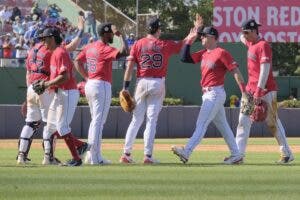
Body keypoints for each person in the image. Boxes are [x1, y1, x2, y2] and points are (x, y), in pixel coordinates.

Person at [171, 14, 246, 164]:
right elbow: (184, 58)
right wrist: (191, 37)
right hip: (207, 94)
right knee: (223, 126)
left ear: (212, 37)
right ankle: (236, 154)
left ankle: (187, 151)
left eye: (203, 36)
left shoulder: (221, 53)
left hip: (215, 93)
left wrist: (244, 92)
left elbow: (235, 71)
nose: (201, 38)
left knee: (201, 124)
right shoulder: (204, 53)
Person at [17, 17, 88, 165]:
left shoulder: (32, 50)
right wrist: (81, 30)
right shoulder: (51, 49)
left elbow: (28, 73)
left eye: (44, 38)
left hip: (34, 86)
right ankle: (50, 156)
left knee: (32, 123)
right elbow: (73, 46)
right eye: (42, 38)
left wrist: (29, 92)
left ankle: (21, 156)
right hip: (46, 88)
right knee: (52, 124)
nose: (43, 40)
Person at [119, 17, 190, 164]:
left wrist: (125, 87)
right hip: (157, 82)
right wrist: (192, 34)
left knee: (136, 120)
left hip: (141, 82)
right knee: (151, 121)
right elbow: (183, 43)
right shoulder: (163, 44)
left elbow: (129, 68)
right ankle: (148, 156)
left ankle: (126, 154)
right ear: (158, 30)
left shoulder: (138, 44)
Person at [235, 19, 294, 164]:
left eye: (247, 32)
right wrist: (243, 33)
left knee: (272, 122)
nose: (244, 35)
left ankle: (287, 153)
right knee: (243, 121)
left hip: (265, 90)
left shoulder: (263, 46)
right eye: (244, 32)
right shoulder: (250, 42)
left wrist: (259, 91)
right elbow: (241, 37)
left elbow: (265, 70)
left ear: (255, 31)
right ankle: (238, 155)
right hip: (249, 90)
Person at [74, 23, 128, 165]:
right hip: (101, 85)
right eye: (110, 33)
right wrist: (121, 35)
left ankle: (91, 155)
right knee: (99, 122)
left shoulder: (90, 46)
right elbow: (125, 52)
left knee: (95, 121)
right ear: (105, 34)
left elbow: (77, 61)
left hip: (90, 84)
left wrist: (86, 77)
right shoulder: (104, 48)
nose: (112, 35)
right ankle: (96, 157)